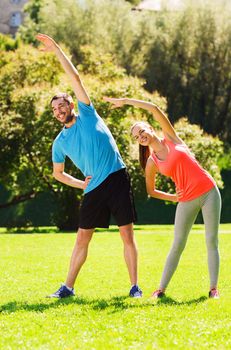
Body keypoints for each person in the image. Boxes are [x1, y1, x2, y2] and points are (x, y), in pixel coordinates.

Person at [35, 34, 142, 298]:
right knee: (82, 238)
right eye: (55, 109)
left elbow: (75, 78)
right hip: (93, 187)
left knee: (126, 235)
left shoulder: (87, 113)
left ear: (72, 104)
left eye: (62, 105)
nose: (59, 111)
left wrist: (57, 50)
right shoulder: (59, 142)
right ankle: (67, 288)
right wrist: (80, 182)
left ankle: (134, 287)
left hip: (117, 178)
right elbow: (57, 174)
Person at [104, 96, 221, 299]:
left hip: (209, 192)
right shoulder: (151, 162)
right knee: (178, 244)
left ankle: (213, 289)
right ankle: (161, 289)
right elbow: (151, 191)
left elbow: (154, 108)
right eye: (136, 136)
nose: (141, 136)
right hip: (186, 200)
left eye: (142, 131)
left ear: (149, 128)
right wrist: (175, 198)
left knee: (211, 240)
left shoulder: (171, 137)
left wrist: (124, 101)